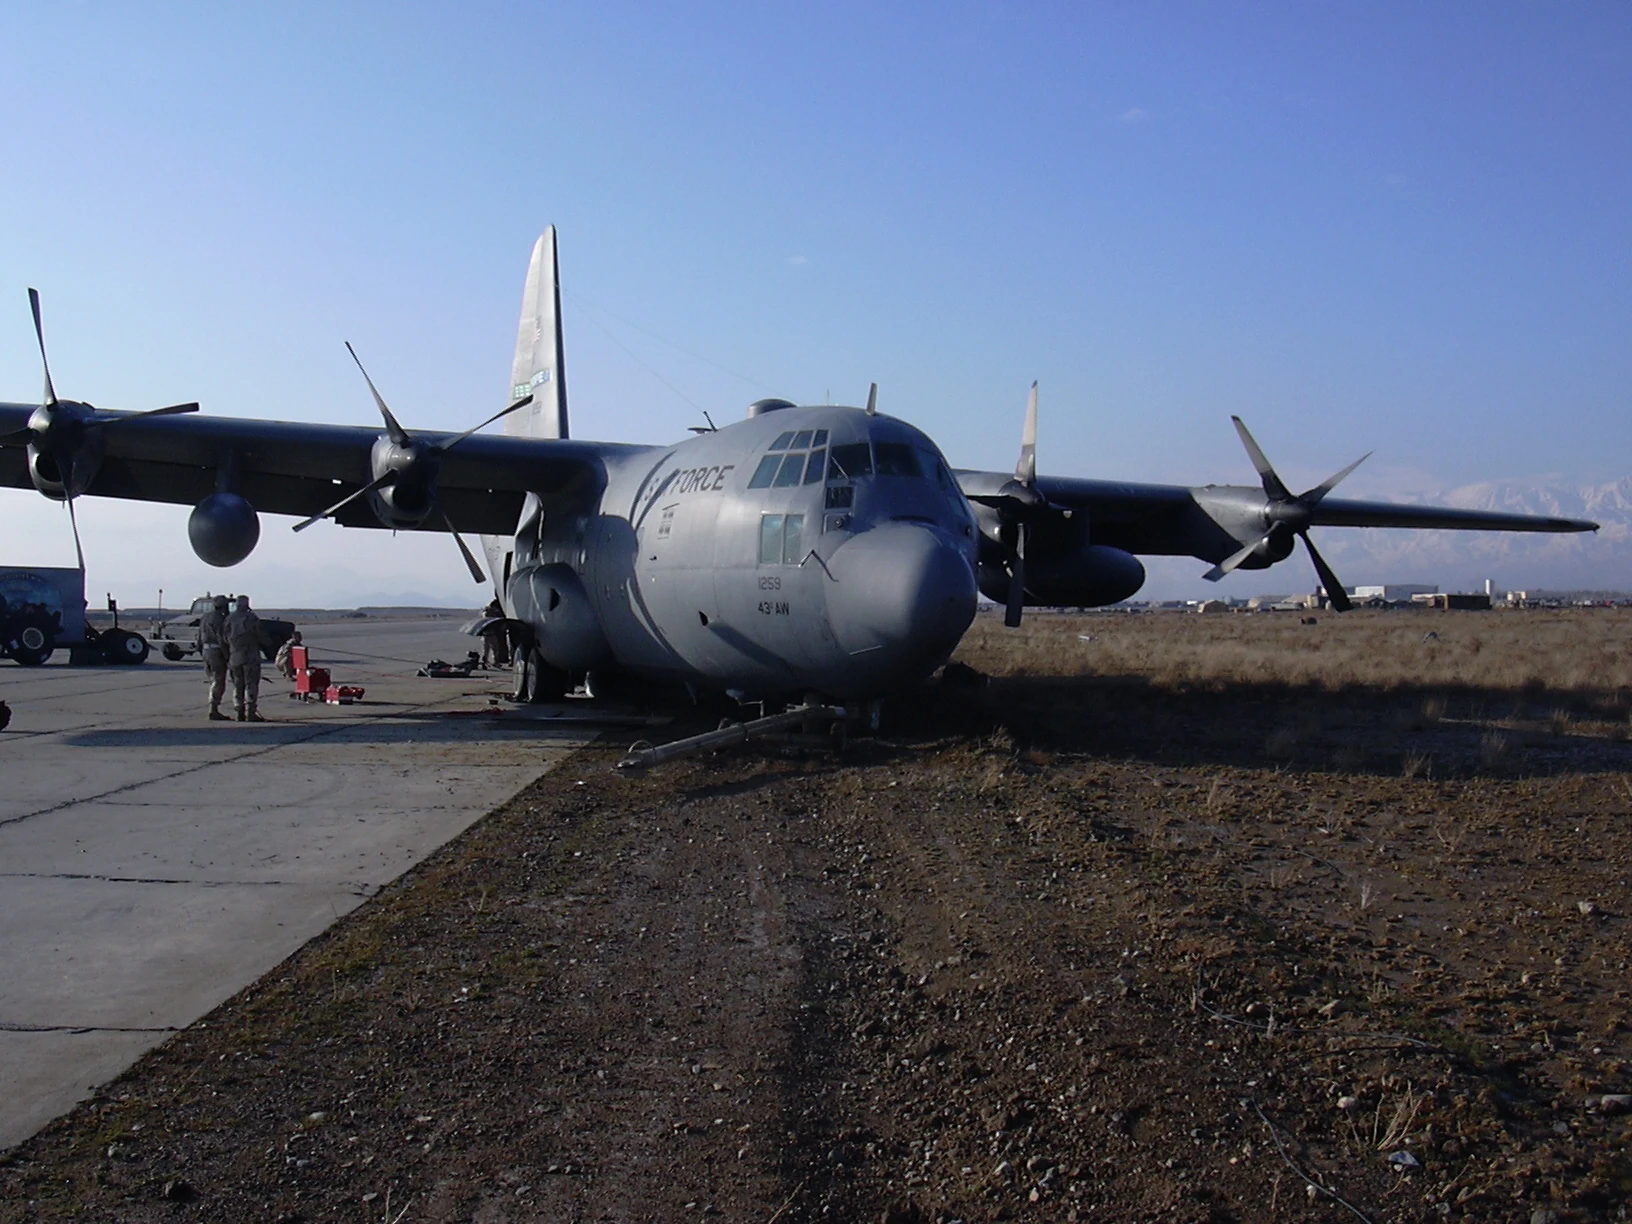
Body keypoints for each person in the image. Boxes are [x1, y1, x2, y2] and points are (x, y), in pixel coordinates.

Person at [224, 594, 264, 722]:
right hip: (250, 655)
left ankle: (238, 711)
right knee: (251, 683)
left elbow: (224, 637)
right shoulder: (252, 618)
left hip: (235, 656)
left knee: (237, 684)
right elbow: (260, 635)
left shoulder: (229, 619)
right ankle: (250, 712)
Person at [196, 595, 230, 720]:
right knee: (218, 680)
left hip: (206, 651)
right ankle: (213, 709)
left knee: (212, 679)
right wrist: (227, 655)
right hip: (216, 651)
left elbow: (199, 636)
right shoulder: (220, 619)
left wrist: (201, 651)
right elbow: (221, 638)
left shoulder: (205, 617)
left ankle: (213, 707)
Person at [481, 598, 510, 668]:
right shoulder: (492, 613)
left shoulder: (485, 613)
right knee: (495, 649)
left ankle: (485, 662)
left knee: (486, 650)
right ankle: (495, 662)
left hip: (485, 634)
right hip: (491, 633)